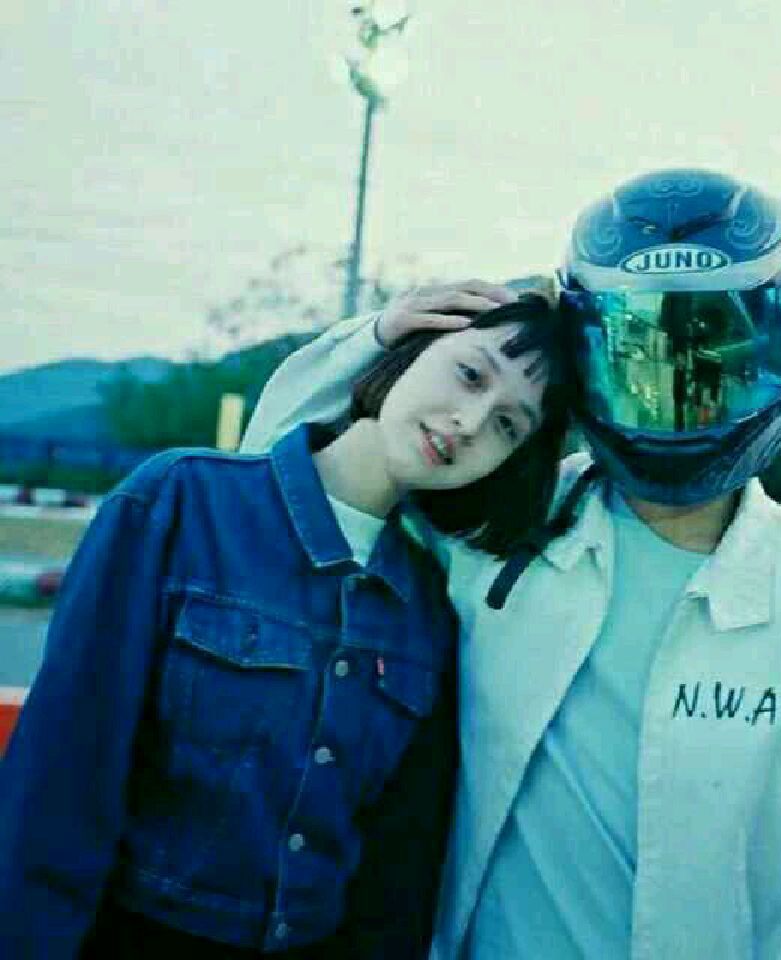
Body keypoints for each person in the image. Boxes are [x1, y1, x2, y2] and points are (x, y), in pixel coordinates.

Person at [241, 169, 781, 959]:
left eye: (708, 359)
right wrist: (378, 340)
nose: (672, 392)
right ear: (586, 357)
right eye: (638, 358)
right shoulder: (492, 523)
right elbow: (273, 491)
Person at [0, 293, 575, 959]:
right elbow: (62, 773)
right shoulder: (182, 500)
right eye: (470, 374)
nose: (469, 423)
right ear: (412, 352)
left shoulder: (430, 612)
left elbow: (395, 876)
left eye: (508, 425)